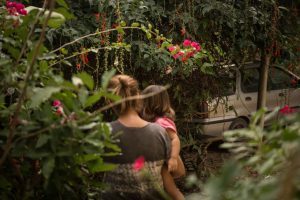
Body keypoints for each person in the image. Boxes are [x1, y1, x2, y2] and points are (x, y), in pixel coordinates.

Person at [101, 75, 171, 200]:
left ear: (109, 101)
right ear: (138, 96)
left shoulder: (104, 132)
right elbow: (177, 171)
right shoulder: (159, 132)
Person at [141, 85, 186, 200]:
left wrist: (173, 158)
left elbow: (175, 139)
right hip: (161, 162)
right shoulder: (154, 121)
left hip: (167, 160)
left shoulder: (161, 122)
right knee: (170, 190)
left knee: (172, 191)